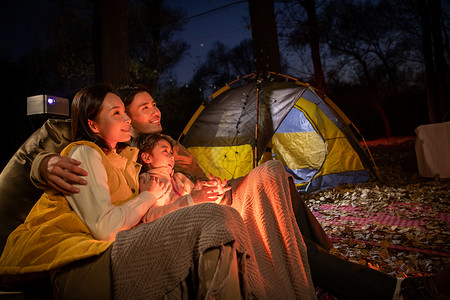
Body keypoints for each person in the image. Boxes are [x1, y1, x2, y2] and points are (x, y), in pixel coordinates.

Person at [0, 83, 446, 300]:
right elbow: (57, 166)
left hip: (201, 198)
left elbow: (192, 184)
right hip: (150, 225)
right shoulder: (108, 151)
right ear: (113, 120)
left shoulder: (162, 149)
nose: (154, 110)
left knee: (270, 173)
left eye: (152, 104)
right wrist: (39, 164)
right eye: (141, 108)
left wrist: (199, 180)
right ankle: (364, 285)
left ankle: (328, 271)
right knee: (254, 214)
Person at [135, 133, 230, 223]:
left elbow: (199, 197)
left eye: (171, 153)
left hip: (199, 217)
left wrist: (214, 192)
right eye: (165, 151)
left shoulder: (179, 178)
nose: (171, 157)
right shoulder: (148, 181)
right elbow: (150, 216)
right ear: (147, 157)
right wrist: (190, 200)